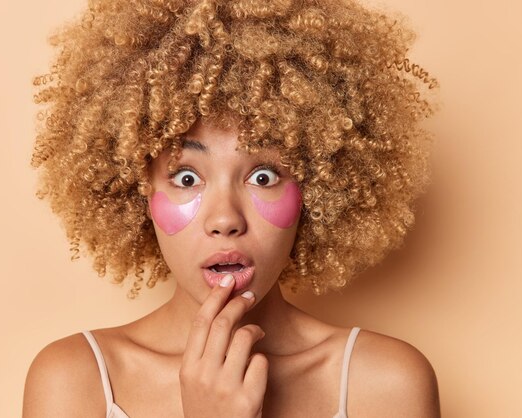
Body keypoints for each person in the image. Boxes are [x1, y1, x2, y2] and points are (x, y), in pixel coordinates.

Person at [23, 0, 441, 416]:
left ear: (318, 189)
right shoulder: (77, 381)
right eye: (187, 178)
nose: (225, 220)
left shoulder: (385, 383)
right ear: (138, 192)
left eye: (263, 176)